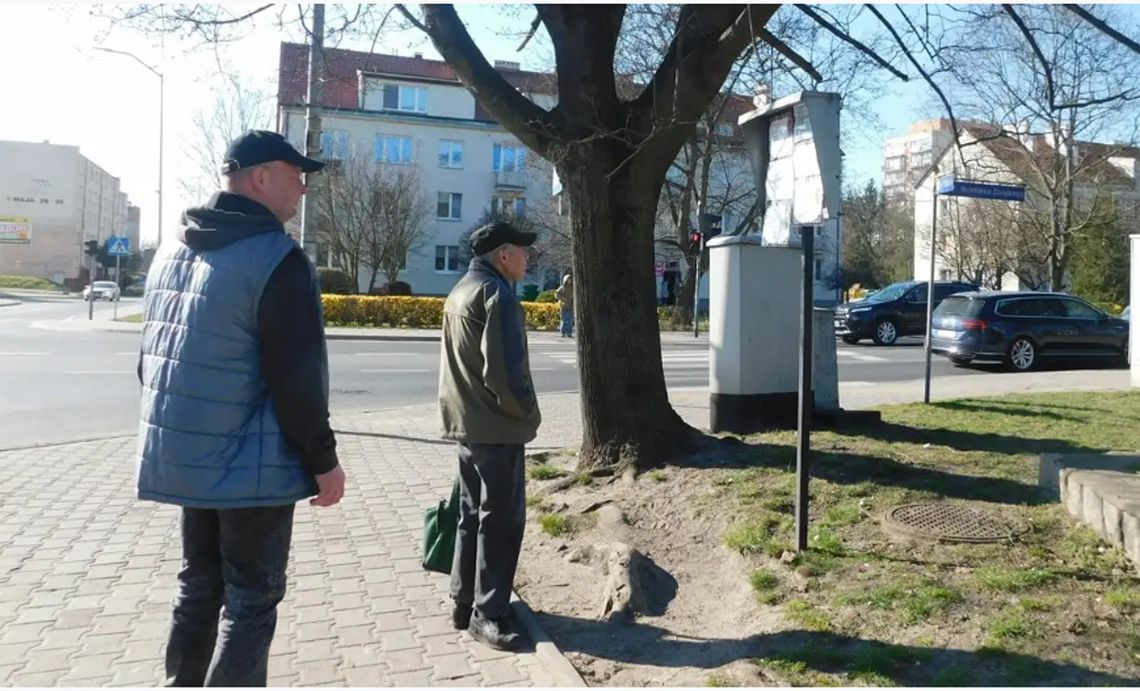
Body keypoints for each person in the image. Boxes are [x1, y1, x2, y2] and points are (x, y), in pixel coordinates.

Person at [136, 130, 346, 686]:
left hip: (189, 458)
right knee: (252, 601)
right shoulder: (277, 259)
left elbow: (149, 362)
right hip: (252, 469)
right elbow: (297, 381)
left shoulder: (172, 250)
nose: (302, 188)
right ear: (261, 177)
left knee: (198, 587)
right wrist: (324, 462)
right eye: (295, 176)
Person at [438, 221, 542, 651]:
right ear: (503, 255)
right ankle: (490, 613)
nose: (526, 258)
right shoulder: (496, 295)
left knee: (471, 514)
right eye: (522, 250)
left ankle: (463, 602)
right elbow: (504, 374)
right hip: (496, 426)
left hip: (467, 422)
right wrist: (527, 413)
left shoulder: (460, 291)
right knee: (501, 521)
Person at [555, 274, 574, 338]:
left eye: (570, 279)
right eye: (568, 279)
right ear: (565, 280)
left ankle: (569, 332)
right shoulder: (562, 287)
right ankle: (563, 332)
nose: (569, 280)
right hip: (564, 306)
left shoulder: (572, 288)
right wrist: (563, 299)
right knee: (564, 319)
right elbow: (556, 294)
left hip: (570, 306)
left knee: (570, 320)